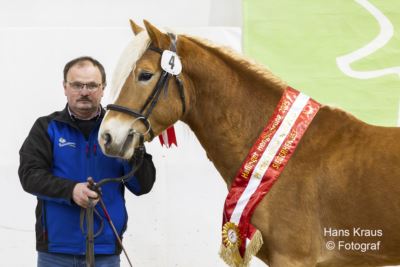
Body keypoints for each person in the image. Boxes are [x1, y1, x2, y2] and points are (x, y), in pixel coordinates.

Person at [18, 56, 156, 267]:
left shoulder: (120, 130)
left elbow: (142, 185)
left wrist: (133, 148)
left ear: (103, 89)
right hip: (55, 253)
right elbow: (30, 176)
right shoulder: (47, 127)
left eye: (92, 85)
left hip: (106, 251)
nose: (84, 91)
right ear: (65, 87)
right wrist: (71, 191)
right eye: (77, 85)